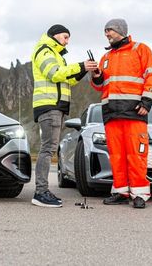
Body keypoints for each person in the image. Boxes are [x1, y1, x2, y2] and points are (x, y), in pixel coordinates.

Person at [90, 18, 152, 208]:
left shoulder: (140, 49)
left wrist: (147, 101)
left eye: (109, 30)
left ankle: (140, 194)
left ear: (120, 30)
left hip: (134, 112)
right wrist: (96, 76)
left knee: (136, 155)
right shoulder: (106, 58)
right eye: (105, 31)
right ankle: (120, 191)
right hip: (112, 114)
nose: (106, 34)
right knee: (117, 155)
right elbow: (100, 86)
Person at [31, 24, 98, 208]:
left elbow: (67, 80)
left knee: (49, 148)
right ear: (54, 35)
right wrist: (80, 65)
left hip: (57, 106)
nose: (67, 41)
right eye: (65, 37)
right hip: (48, 105)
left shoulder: (57, 55)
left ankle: (42, 190)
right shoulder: (44, 51)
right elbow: (54, 74)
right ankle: (40, 192)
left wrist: (84, 70)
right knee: (47, 149)